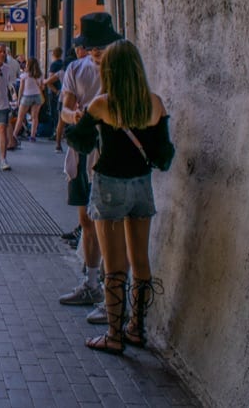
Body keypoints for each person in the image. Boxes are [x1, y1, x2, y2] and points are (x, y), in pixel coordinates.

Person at [64, 39, 174, 355]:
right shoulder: (154, 103)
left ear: (111, 71)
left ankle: (114, 335)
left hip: (110, 185)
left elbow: (79, 140)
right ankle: (137, 329)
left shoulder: (102, 104)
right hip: (142, 186)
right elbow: (163, 155)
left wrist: (75, 117)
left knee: (114, 266)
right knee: (140, 259)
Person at [57, 13, 122, 317]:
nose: (96, 52)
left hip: (110, 155)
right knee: (86, 220)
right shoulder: (75, 69)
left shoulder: (124, 71)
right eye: (91, 46)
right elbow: (65, 111)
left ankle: (111, 298)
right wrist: (77, 117)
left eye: (102, 46)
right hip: (81, 152)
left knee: (106, 224)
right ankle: (92, 283)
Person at [13, 57, 45, 142]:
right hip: (37, 96)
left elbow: (21, 88)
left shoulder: (24, 75)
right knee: (35, 117)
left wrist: (19, 99)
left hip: (27, 97)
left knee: (20, 117)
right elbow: (42, 87)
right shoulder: (40, 75)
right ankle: (32, 136)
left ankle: (14, 134)